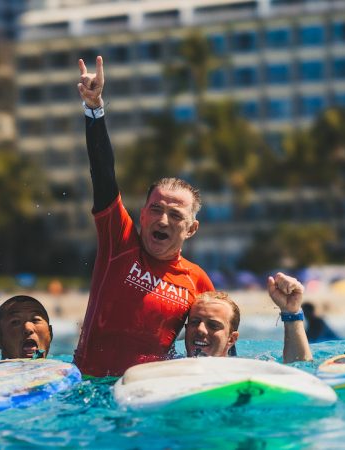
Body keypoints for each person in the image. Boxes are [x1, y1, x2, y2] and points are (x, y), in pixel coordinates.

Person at [74, 56, 215, 377]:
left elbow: (219, 344)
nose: (163, 220)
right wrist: (94, 109)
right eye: (156, 209)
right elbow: (103, 175)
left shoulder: (197, 281)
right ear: (142, 215)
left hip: (149, 391)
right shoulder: (119, 243)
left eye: (175, 215)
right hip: (89, 387)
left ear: (192, 229)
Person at [185, 272, 313, 363]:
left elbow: (299, 365)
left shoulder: (247, 370)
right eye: (194, 322)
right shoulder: (170, 365)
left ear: (231, 339)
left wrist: (291, 312)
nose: (200, 329)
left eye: (213, 325)